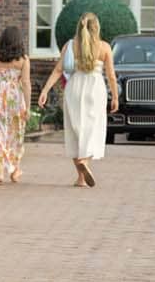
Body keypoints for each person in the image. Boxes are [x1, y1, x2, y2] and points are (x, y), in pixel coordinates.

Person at [37, 12, 119, 188]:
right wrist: (115, 97)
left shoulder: (70, 46)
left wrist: (45, 90)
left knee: (75, 129)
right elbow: (111, 75)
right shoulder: (104, 47)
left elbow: (58, 70)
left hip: (74, 87)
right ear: (96, 27)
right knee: (92, 128)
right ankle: (85, 161)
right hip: (95, 88)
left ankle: (81, 178)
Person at [0, 25, 31, 184]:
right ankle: (15, 169)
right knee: (15, 135)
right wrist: (28, 106)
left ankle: (0, 173)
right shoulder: (23, 60)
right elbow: (25, 83)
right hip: (15, 100)